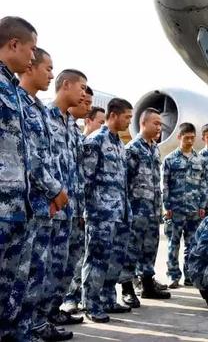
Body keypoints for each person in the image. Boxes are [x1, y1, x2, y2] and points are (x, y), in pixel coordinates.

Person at [16, 47, 73, 341]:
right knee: (22, 277)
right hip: (29, 205)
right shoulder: (19, 104)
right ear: (29, 67)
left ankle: (33, 326)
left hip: (47, 206)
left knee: (39, 273)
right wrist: (55, 191)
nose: (51, 74)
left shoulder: (36, 107)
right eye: (48, 68)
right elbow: (29, 159)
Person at [0, 16, 39, 340]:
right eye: (31, 49)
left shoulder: (12, 91)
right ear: (13, 44)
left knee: (13, 284)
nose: (33, 57)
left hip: (16, 207)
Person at [82, 98, 133, 323]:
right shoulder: (96, 141)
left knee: (115, 258)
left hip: (119, 213)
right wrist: (87, 213)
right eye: (127, 117)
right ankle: (91, 303)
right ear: (114, 115)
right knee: (97, 260)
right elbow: (86, 180)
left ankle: (108, 298)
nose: (129, 122)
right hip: (100, 214)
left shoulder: (119, 143)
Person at [45, 69, 87, 329]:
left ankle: (52, 311)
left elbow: (76, 169)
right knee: (47, 267)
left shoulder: (71, 124)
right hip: (51, 206)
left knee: (64, 266)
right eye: (81, 87)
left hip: (71, 208)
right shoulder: (45, 117)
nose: (84, 93)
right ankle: (39, 317)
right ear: (66, 85)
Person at [120, 107, 171, 305]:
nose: (159, 127)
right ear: (143, 123)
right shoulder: (132, 149)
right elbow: (124, 182)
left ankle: (148, 285)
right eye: (156, 123)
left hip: (152, 210)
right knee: (131, 249)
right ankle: (127, 288)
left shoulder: (153, 148)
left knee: (150, 248)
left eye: (160, 124)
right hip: (136, 210)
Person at [60, 85, 94, 317]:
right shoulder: (54, 122)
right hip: (57, 207)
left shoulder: (74, 130)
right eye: (84, 102)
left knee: (70, 260)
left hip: (75, 208)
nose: (87, 106)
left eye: (89, 103)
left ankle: (53, 310)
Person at [162, 122, 206, 288]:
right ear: (179, 137)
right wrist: (167, 207)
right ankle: (173, 276)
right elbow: (164, 185)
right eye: (186, 138)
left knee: (192, 244)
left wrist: (202, 205)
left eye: (192, 138)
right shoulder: (170, 160)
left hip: (194, 211)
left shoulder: (198, 159)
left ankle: (189, 275)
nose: (189, 141)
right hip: (176, 210)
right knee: (173, 244)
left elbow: (203, 184)